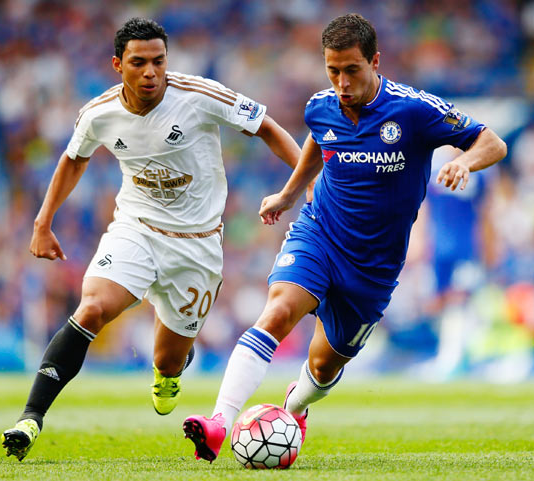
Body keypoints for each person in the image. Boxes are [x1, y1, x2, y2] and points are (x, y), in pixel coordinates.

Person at [183, 13, 507, 462]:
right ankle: (218, 422)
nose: (341, 82)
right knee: (277, 311)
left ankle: (294, 408)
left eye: (351, 70)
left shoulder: (412, 110)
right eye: (332, 71)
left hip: (374, 266)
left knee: (322, 366)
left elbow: (492, 141)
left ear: (375, 61)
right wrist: (288, 193)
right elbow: (320, 142)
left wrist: (464, 163)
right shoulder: (320, 106)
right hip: (321, 233)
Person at [1, 17, 302, 461]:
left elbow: (268, 128)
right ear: (117, 65)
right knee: (92, 308)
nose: (151, 72)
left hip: (197, 246)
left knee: (167, 360)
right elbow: (73, 161)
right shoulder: (98, 113)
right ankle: (31, 417)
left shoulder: (199, 96)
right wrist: (42, 223)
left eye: (158, 61)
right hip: (136, 230)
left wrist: (303, 184)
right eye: (138, 63)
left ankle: (172, 370)